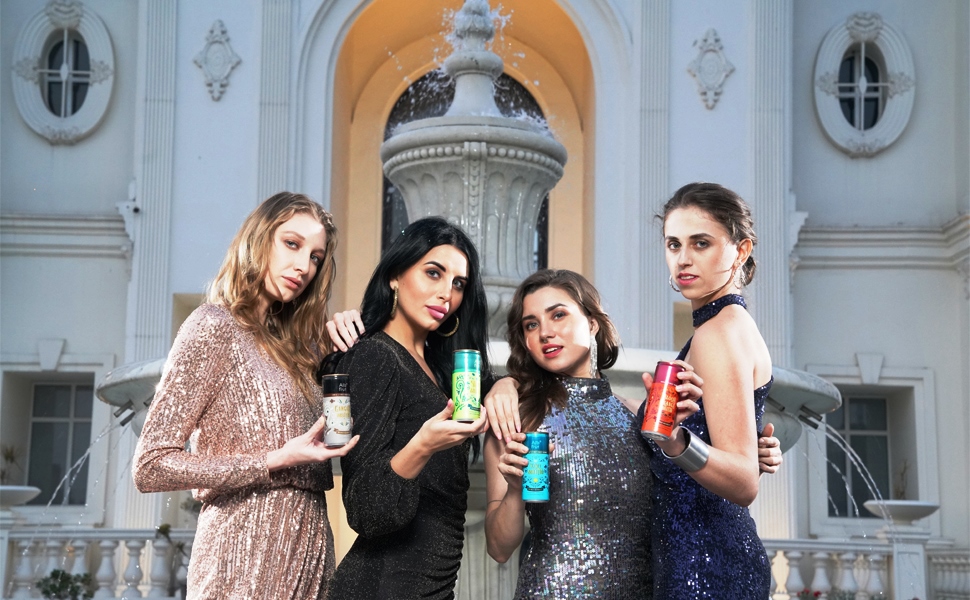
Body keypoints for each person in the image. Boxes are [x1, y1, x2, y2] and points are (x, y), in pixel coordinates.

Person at [132, 192, 359, 599]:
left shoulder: (306, 351)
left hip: (310, 547)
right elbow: (150, 466)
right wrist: (272, 461)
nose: (304, 266)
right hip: (240, 553)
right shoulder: (213, 326)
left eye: (316, 257)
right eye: (292, 244)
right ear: (259, 239)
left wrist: (347, 334)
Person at [482, 269, 702, 599]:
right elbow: (499, 549)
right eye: (531, 324)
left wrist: (746, 453)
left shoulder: (637, 415)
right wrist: (515, 491)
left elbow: (692, 498)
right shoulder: (516, 419)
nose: (545, 332)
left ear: (592, 323)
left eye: (558, 315)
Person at [323, 217, 491, 600]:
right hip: (383, 587)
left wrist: (505, 386)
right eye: (433, 273)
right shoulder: (375, 356)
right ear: (395, 275)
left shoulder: (440, 370)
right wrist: (422, 445)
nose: (446, 293)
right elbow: (365, 510)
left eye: (458, 284)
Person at [646, 181, 774, 598]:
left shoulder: (718, 333)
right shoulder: (729, 325)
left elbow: (744, 481)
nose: (683, 259)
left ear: (741, 250)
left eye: (700, 243)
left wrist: (676, 442)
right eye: (674, 244)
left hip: (703, 565)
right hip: (707, 557)